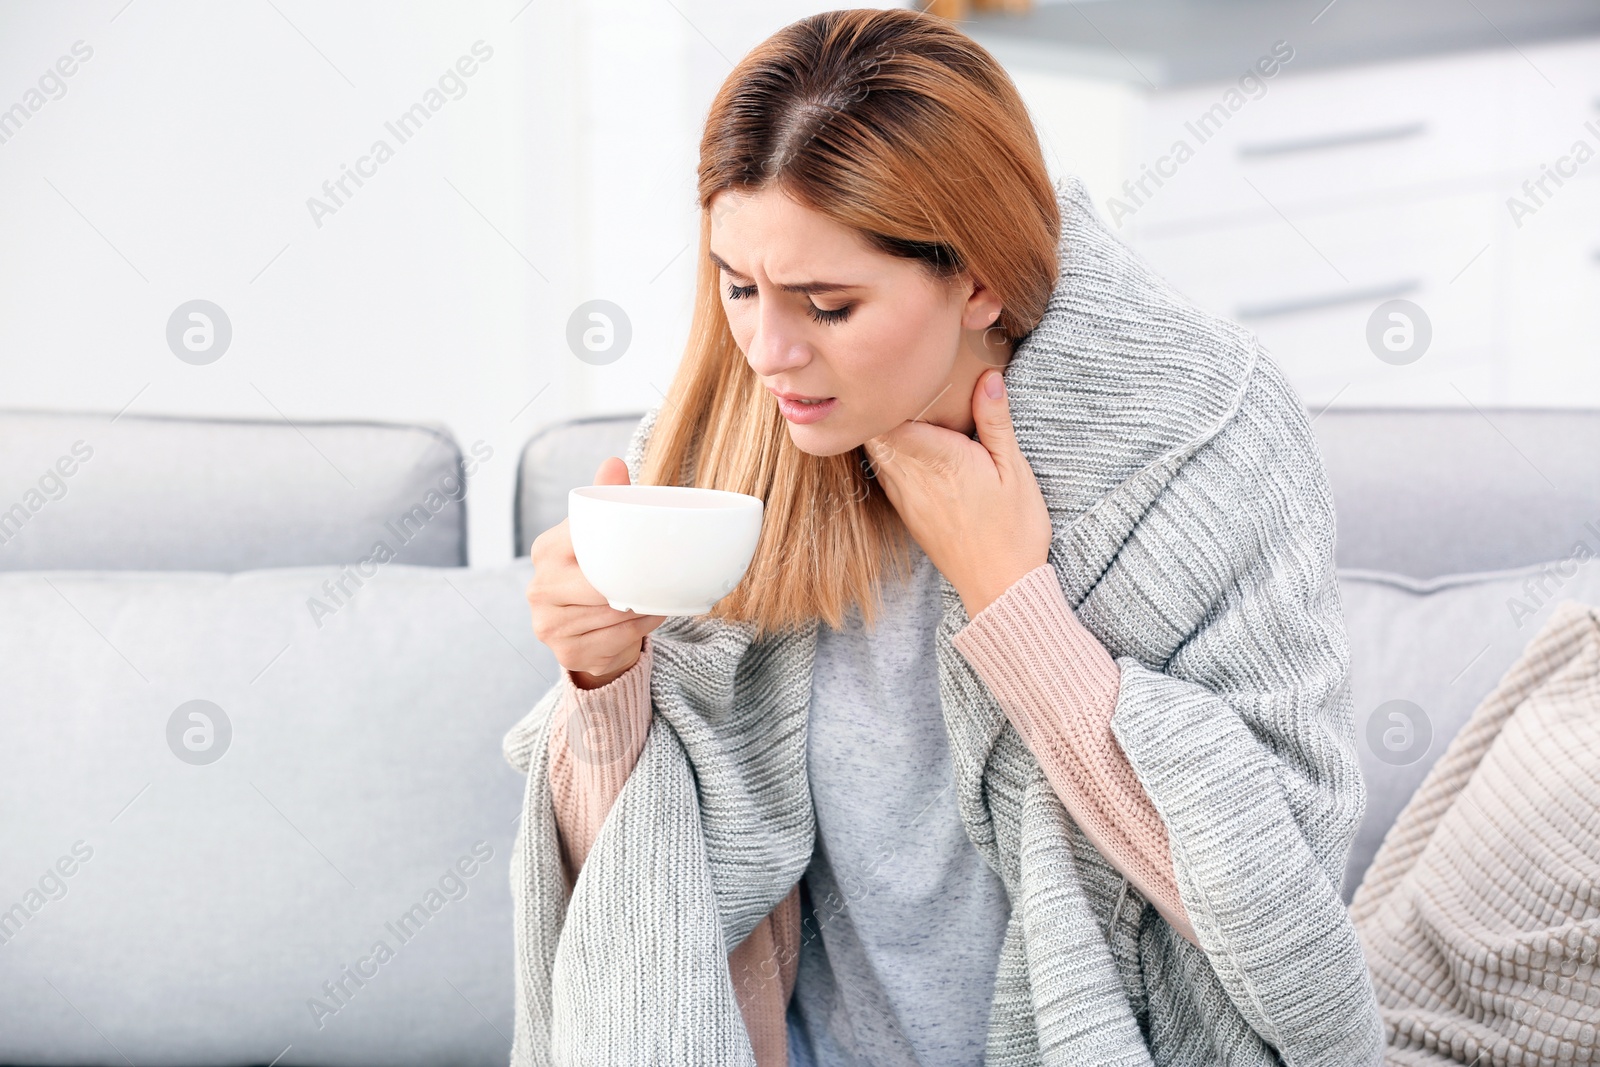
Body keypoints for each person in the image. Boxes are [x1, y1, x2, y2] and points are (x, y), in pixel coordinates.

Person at [505, 9, 1384, 1065]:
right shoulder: (723, 452)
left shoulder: (1201, 442)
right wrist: (603, 689)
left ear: (978, 280)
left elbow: (1291, 942)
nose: (767, 350)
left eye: (826, 304)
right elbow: (642, 922)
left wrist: (1015, 601)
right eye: (739, 287)